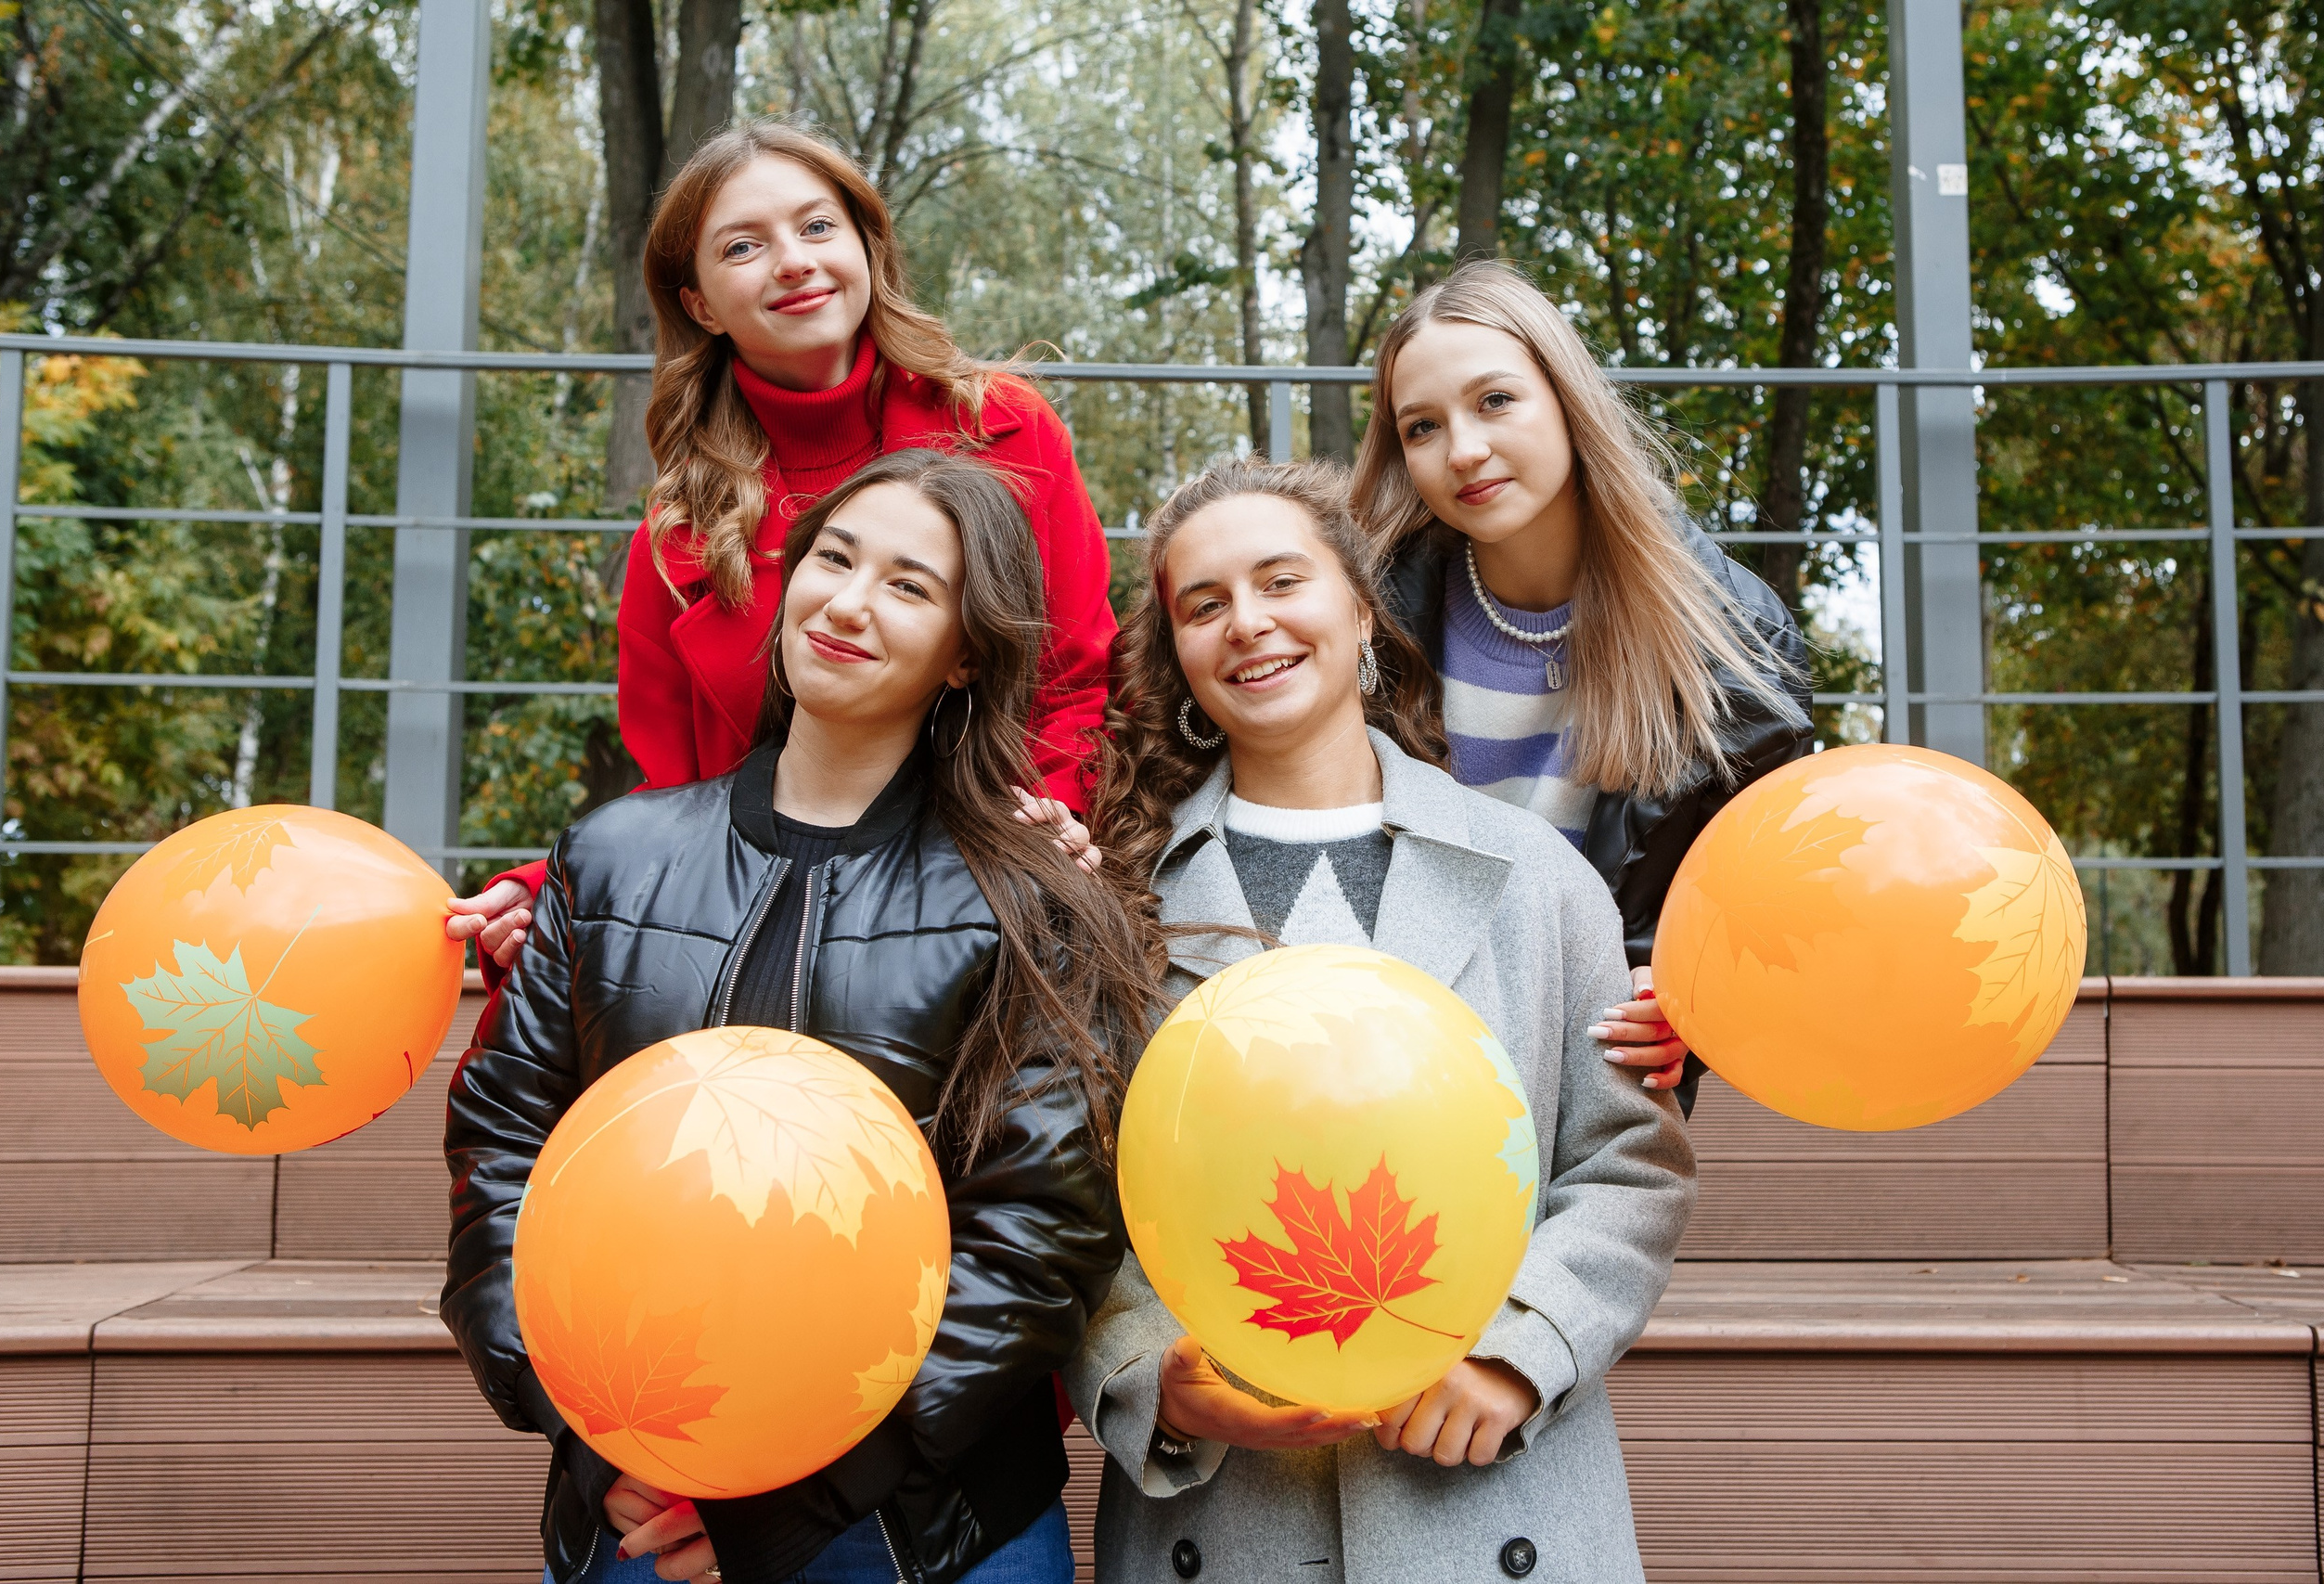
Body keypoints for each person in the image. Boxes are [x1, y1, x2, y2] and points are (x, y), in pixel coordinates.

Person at [442, 450, 1156, 1584]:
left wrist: (804, 1496)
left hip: (919, 1529)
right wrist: (581, 1426)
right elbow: (504, 1152)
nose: (849, 601)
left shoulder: (1028, 901)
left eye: (909, 586)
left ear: (967, 652)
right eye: (834, 557)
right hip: (640, 1508)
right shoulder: (611, 856)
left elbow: (1039, 1234)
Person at [1075, 457, 1696, 1581]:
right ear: (1175, 658)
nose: (1248, 624)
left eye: (1281, 581)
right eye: (1203, 605)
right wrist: (1147, 1373)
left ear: (1360, 607)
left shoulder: (1536, 878)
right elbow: (1065, 1197)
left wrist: (1519, 1354)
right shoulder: (1115, 905)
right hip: (1226, 1519)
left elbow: (1626, 1163)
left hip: (1491, 1495)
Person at [446, 121, 1112, 978]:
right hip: (765, 916)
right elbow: (677, 799)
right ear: (699, 303)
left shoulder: (1005, 431)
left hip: (978, 899)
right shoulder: (680, 532)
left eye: (817, 227)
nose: (793, 261)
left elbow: (1075, 689)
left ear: (866, 245)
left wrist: (1041, 831)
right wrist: (561, 886)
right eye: (743, 247)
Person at [1355, 261, 1814, 1112]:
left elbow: (1753, 908)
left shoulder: (1733, 644)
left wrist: (1693, 1012)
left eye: (1496, 401)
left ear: (1567, 399)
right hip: (1387, 1054)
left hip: (1586, 1060)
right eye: (1422, 426)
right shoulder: (1367, 624)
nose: (1463, 450)